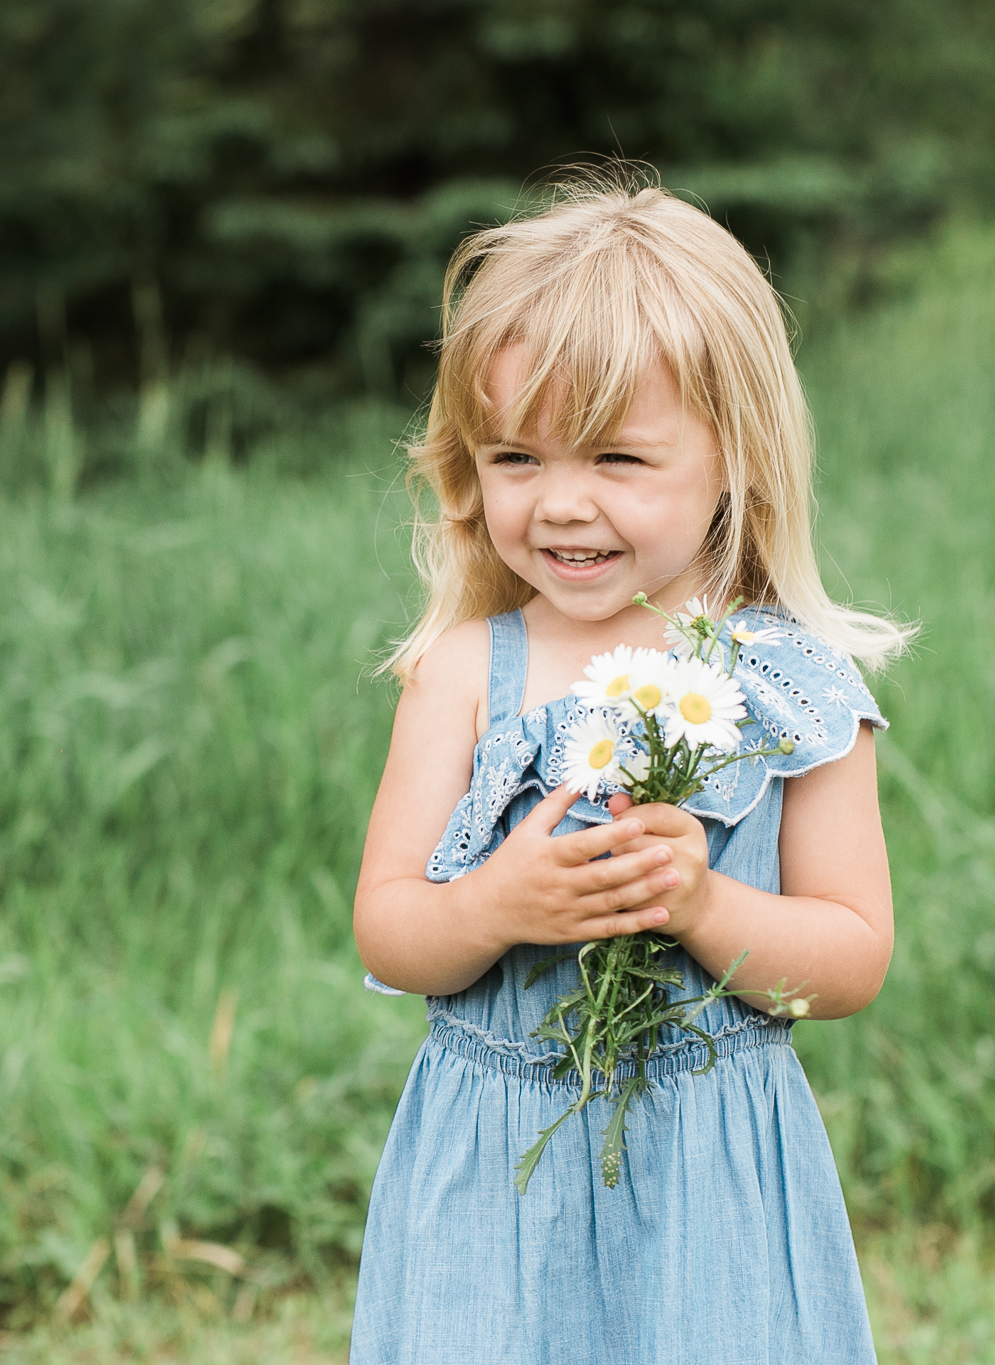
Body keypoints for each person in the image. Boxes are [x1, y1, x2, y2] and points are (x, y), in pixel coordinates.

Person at [350, 169, 909, 1363]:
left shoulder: (786, 682)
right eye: (514, 459)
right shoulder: (464, 673)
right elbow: (390, 929)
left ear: (733, 457)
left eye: (614, 458)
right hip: (494, 1169)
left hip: (708, 1168)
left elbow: (851, 954)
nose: (560, 505)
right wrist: (492, 905)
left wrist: (703, 904)